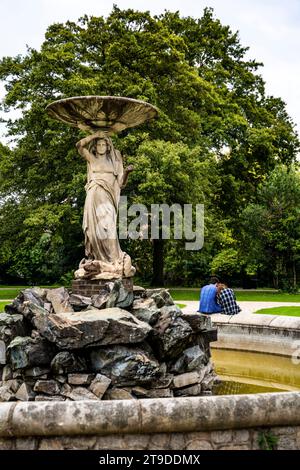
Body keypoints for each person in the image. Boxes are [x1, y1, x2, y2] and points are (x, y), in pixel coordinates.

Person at [74, 130, 135, 280]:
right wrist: (95, 135)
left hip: (107, 197)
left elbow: (121, 183)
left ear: (108, 146)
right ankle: (96, 260)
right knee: (93, 231)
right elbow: (79, 146)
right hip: (93, 195)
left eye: (104, 144)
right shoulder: (92, 158)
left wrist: (127, 172)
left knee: (109, 228)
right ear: (95, 146)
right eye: (99, 144)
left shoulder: (114, 160)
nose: (101, 146)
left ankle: (114, 261)